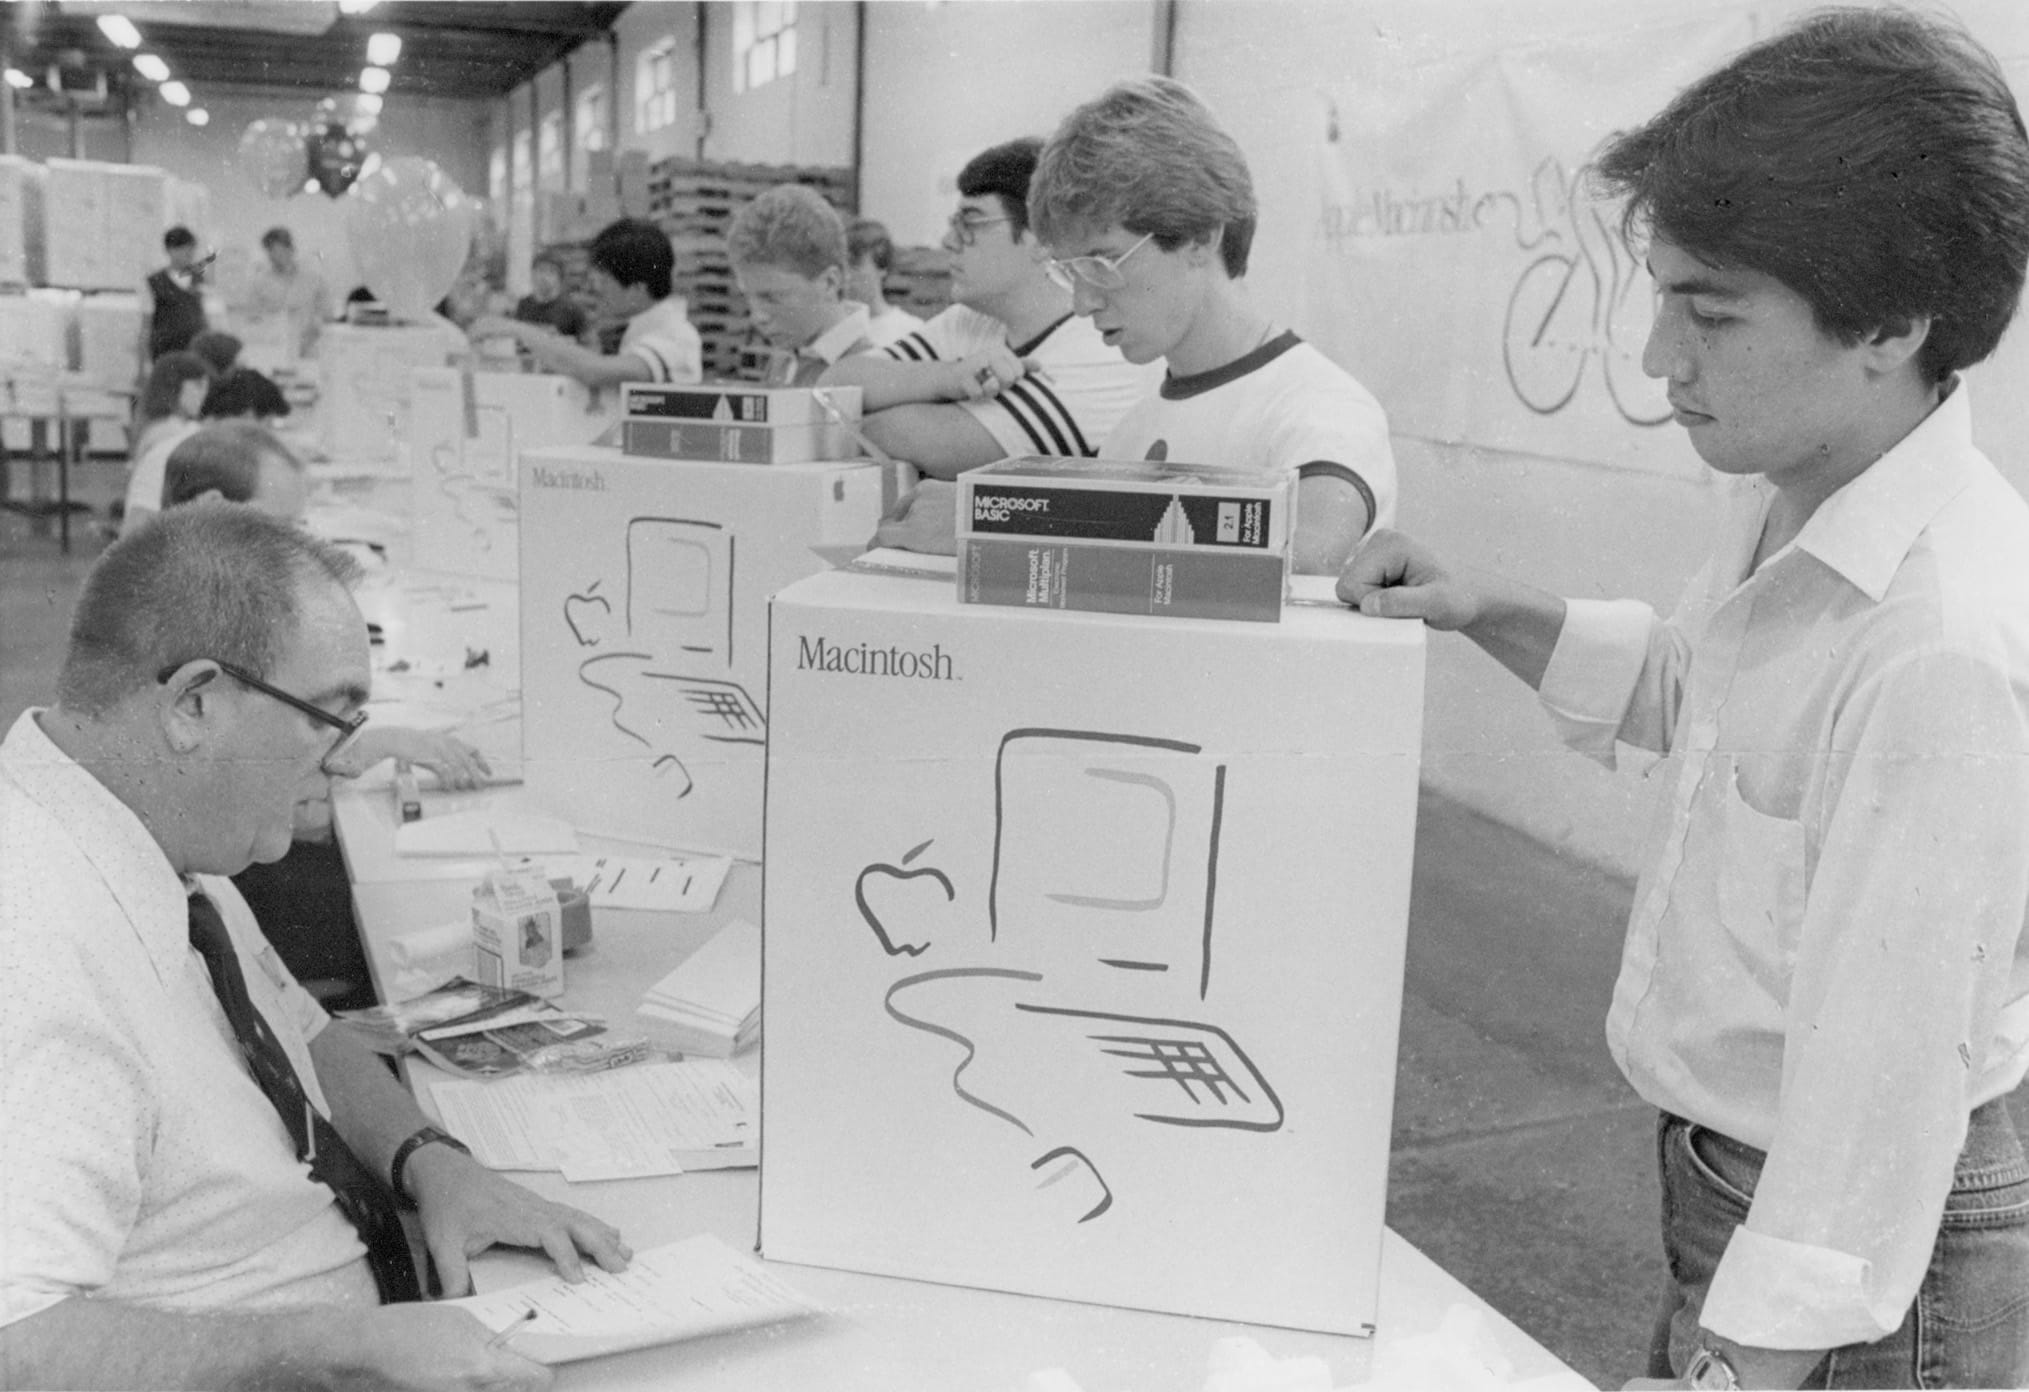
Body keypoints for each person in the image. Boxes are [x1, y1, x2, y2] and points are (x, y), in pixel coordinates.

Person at [1338, 11, 2029, 1389]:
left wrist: (1745, 1362)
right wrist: (1490, 608)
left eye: (1708, 313)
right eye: (1662, 300)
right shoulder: (1797, 497)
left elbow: (1880, 1088)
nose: (1659, 361)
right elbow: (1696, 692)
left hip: (1857, 1246)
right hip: (1735, 1180)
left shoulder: (1940, 642)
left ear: (1892, 323)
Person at [0, 505, 628, 1389]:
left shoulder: (155, 833)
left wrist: (430, 1162)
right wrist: (341, 1349)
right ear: (195, 704)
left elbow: (304, 1033)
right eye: (326, 718)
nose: (342, 760)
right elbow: (19, 1345)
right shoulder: (36, 945)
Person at [160, 424, 490, 1010]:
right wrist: (375, 745)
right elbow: (286, 801)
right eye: (280, 529)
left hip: (228, 875)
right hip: (237, 886)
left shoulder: (187, 595)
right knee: (412, 917)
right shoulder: (187, 626)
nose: (291, 550)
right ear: (213, 507)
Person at [1025, 77, 1395, 575]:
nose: (1083, 302)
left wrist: (1010, 527)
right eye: (1069, 272)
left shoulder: (1321, 411)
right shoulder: (1129, 434)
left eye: (1102, 263)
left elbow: (1307, 558)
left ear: (1200, 237)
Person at [822, 138, 1158, 486]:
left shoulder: (1096, 349)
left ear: (1043, 238)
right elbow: (834, 385)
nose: (948, 241)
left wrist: (878, 404)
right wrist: (947, 379)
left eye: (972, 223)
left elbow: (930, 444)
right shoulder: (970, 320)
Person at [468, 218, 700, 390]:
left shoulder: (676, 338)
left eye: (604, 279)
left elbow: (594, 371)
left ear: (638, 288)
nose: (595, 288)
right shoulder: (647, 330)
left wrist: (518, 330)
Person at [726, 184, 874, 387]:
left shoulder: (870, 372)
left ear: (830, 283)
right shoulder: (785, 358)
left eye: (771, 298)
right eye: (748, 297)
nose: (757, 317)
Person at [120, 350, 213, 535]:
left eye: (206, 387)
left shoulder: (160, 425)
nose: (203, 394)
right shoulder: (168, 433)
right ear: (174, 386)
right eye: (197, 385)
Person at [246, 226, 330, 359]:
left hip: (309, 346)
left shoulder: (313, 278)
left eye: (278, 250)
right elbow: (253, 317)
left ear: (291, 249)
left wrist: (315, 329)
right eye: (270, 251)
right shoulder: (260, 282)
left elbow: (325, 310)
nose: (274, 256)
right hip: (273, 346)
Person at [844, 218, 923, 349]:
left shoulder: (911, 331)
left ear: (882, 267)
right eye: (842, 266)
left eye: (854, 265)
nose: (846, 276)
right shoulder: (833, 332)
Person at [144, 225, 210, 362]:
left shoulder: (200, 279)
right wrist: (142, 369)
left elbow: (205, 318)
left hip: (195, 353)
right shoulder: (154, 282)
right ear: (169, 250)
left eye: (191, 248)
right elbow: (145, 327)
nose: (189, 253)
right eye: (182, 248)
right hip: (165, 352)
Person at [512, 252, 589, 341]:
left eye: (551, 272)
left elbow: (587, 345)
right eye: (540, 270)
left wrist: (564, 341)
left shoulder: (572, 310)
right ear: (532, 274)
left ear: (559, 278)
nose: (544, 277)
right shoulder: (524, 305)